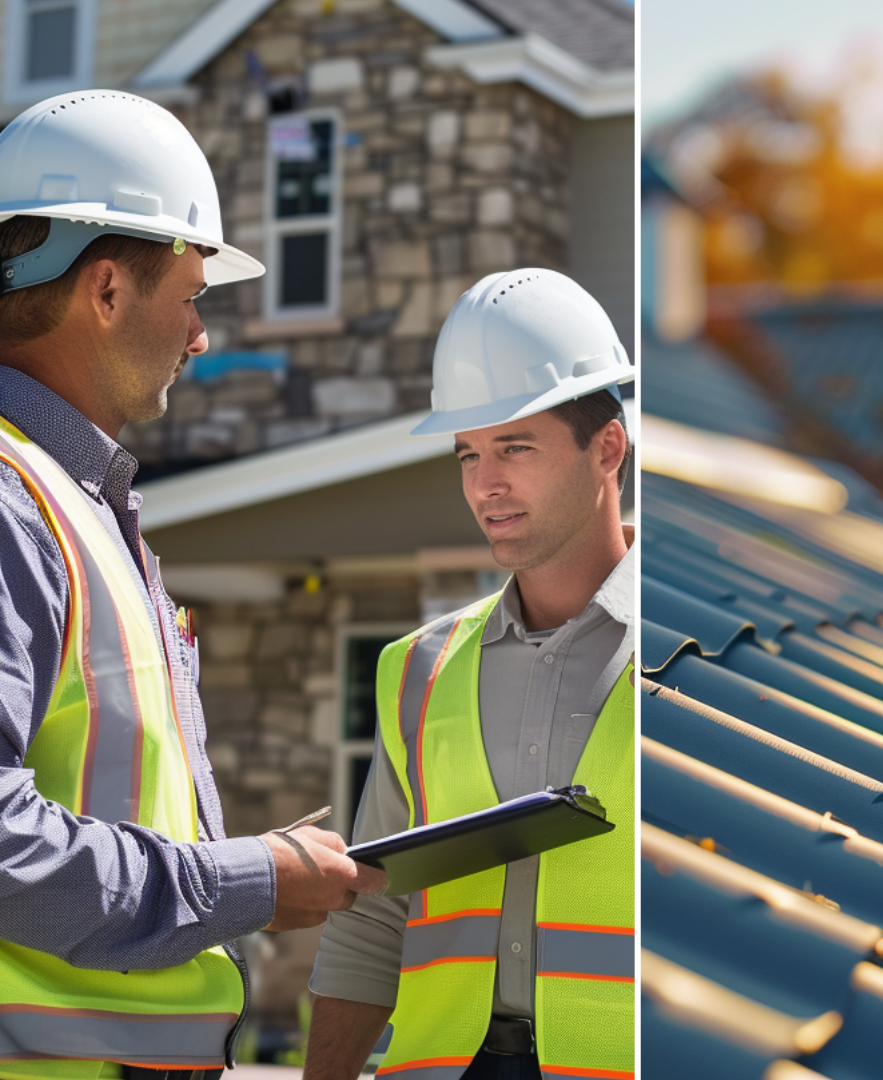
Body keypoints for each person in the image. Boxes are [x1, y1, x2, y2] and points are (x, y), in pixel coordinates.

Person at [0, 91, 384, 1075]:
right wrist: (241, 882)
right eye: (192, 294)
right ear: (107, 293)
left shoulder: (67, 502)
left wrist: (237, 864)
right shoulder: (13, 504)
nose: (202, 334)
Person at [304, 269, 634, 1080]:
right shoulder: (416, 670)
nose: (486, 486)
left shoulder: (683, 656)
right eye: (468, 455)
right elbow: (372, 916)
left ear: (608, 450)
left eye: (515, 448)